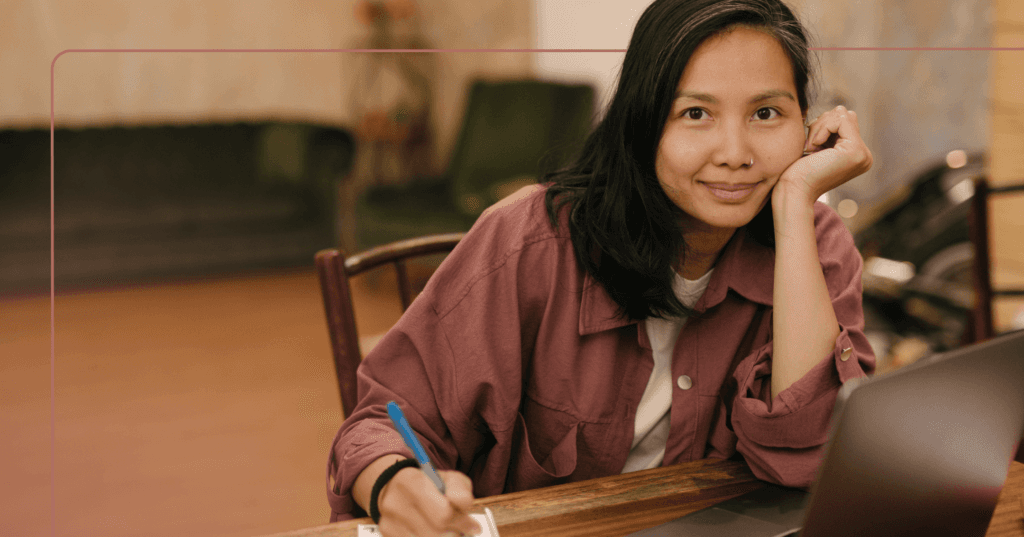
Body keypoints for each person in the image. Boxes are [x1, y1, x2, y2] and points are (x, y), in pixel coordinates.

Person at [327, 0, 876, 534]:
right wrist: (396, 485)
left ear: (805, 123)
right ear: (641, 122)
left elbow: (811, 457)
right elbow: (380, 427)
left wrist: (795, 200)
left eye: (766, 113)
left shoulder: (811, 241)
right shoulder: (530, 241)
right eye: (695, 113)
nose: (735, 152)